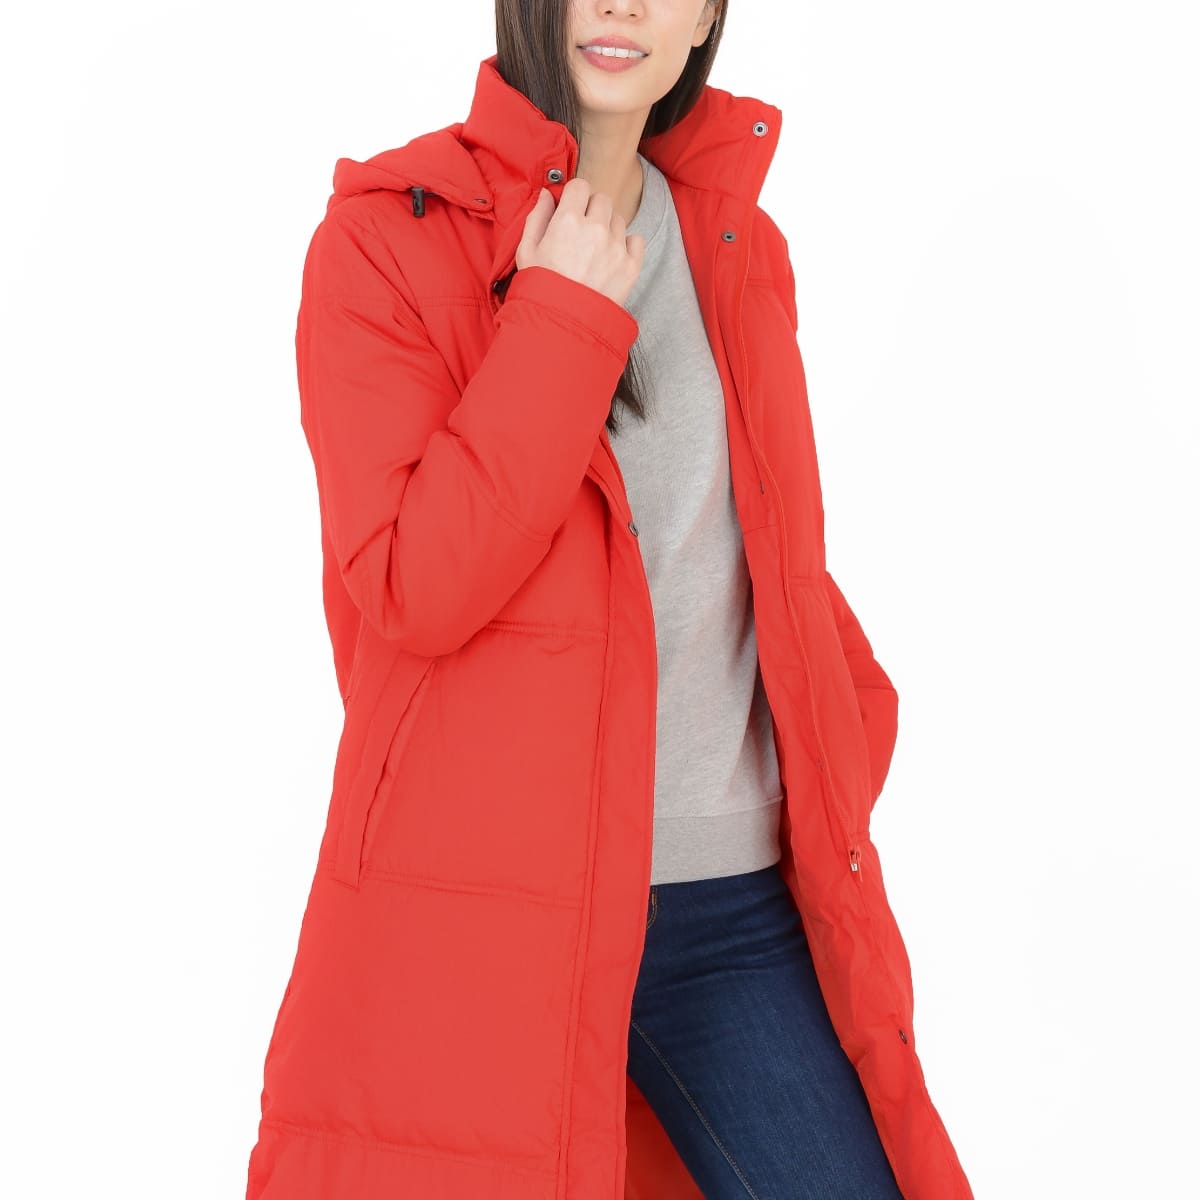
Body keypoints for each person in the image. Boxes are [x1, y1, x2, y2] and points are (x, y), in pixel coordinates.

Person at [244, 3, 975, 1198]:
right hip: (492, 920)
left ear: (708, 15)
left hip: (731, 908)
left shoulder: (737, 241)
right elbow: (415, 586)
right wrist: (561, 314)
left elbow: (753, 537)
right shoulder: (388, 238)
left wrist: (839, 720)